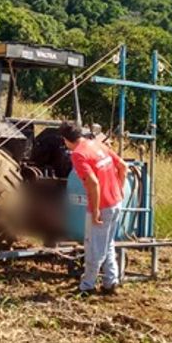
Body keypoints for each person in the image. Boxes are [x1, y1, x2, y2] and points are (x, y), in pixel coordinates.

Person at [58, 121, 128, 296]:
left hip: (102, 205)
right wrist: (119, 189)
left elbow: (93, 183)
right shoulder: (97, 144)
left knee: (93, 247)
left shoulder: (78, 154)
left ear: (66, 139)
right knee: (107, 243)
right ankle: (111, 282)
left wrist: (95, 210)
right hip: (116, 202)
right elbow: (123, 166)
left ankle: (87, 286)